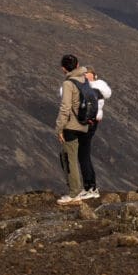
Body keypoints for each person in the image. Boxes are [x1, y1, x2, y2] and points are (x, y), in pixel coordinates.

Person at [54, 54, 91, 205]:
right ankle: (77, 190)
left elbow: (65, 108)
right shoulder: (84, 80)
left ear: (63, 68)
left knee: (70, 159)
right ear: (77, 65)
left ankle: (74, 193)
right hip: (84, 125)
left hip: (71, 126)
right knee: (78, 158)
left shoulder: (68, 84)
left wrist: (59, 129)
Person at [78, 66, 112, 198]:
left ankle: (90, 187)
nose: (85, 75)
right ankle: (90, 186)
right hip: (92, 122)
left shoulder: (94, 89)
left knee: (83, 154)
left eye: (88, 73)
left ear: (93, 75)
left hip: (88, 122)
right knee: (84, 154)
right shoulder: (99, 89)